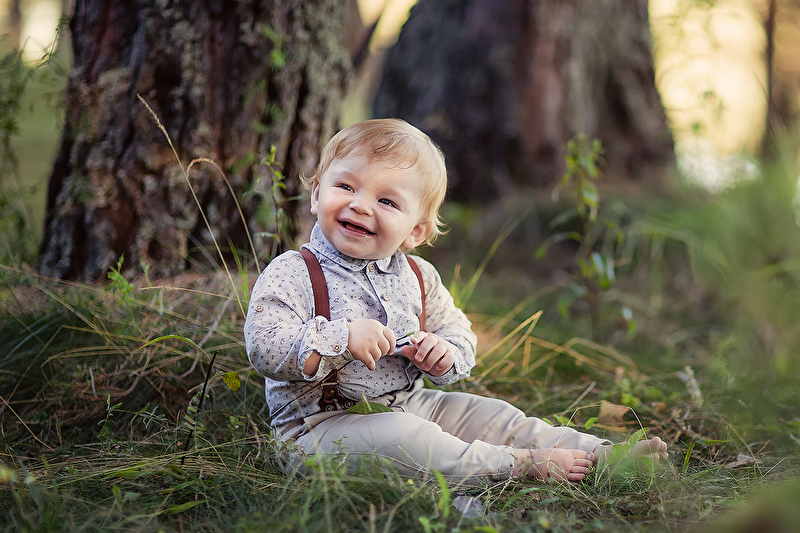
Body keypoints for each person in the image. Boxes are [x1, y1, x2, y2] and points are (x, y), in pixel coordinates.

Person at [243, 118, 666, 485]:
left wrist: (443, 352)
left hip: (409, 403)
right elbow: (264, 347)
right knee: (409, 441)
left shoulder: (419, 277)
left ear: (416, 231)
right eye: (345, 186)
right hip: (320, 428)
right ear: (316, 194)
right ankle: (516, 465)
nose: (360, 204)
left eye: (386, 201)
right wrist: (342, 339)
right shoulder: (294, 272)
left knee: (494, 416)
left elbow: (458, 332)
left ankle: (602, 454)